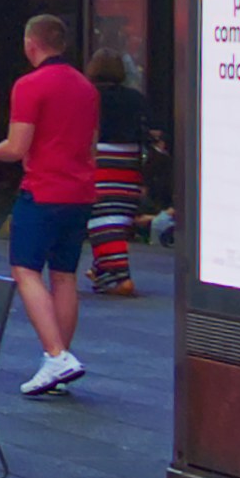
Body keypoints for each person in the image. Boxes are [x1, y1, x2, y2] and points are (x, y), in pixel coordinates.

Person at [0, 14, 100, 395]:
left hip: (43, 190)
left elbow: (17, 147)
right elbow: (92, 145)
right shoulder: (86, 88)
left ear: (31, 44)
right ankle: (59, 358)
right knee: (64, 275)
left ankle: (55, 355)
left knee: (26, 270)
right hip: (79, 191)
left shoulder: (30, 85)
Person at [85, 51, 155, 295]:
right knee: (117, 218)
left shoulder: (89, 96)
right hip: (129, 165)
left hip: (100, 161)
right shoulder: (135, 98)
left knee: (102, 220)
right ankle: (103, 271)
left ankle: (119, 274)